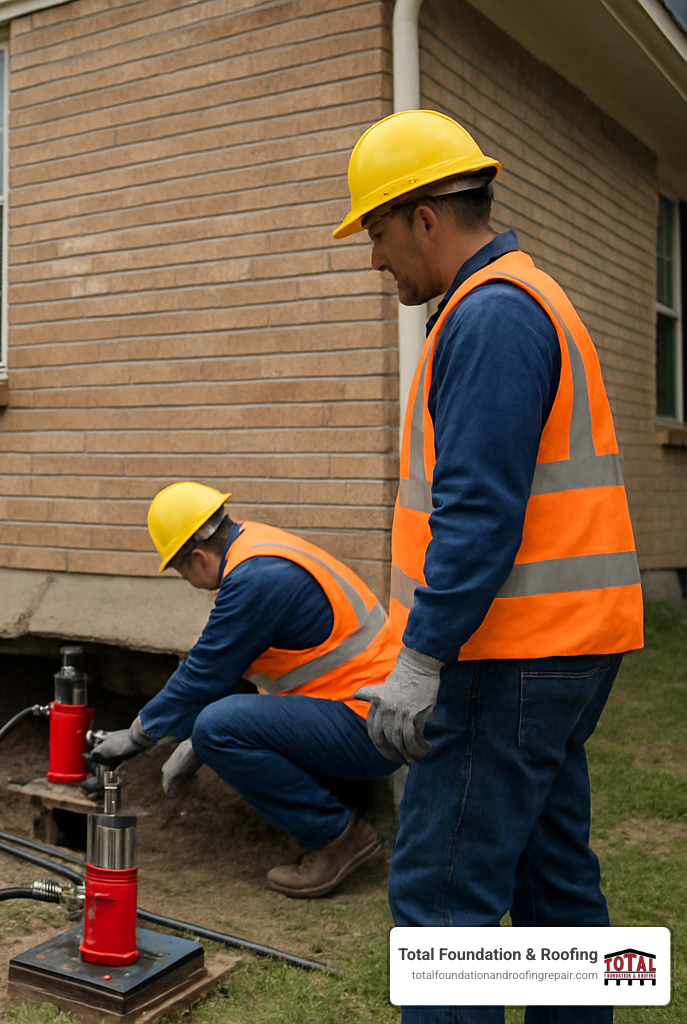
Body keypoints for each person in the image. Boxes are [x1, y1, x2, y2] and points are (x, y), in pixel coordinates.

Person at [334, 110, 643, 1024]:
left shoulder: (491, 316)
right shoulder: (526, 297)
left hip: (503, 662)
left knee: (442, 911)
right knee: (554, 894)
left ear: (426, 216)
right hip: (563, 653)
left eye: (378, 233)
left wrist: (422, 658)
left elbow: (477, 515)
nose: (375, 259)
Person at [90, 482, 402, 898]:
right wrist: (190, 737)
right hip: (369, 711)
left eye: (180, 570)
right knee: (217, 724)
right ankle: (335, 817)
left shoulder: (255, 579)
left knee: (219, 726)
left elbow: (204, 672)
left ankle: (335, 838)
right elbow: (226, 664)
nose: (186, 580)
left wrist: (136, 736)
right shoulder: (258, 547)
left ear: (198, 558)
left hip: (369, 727)